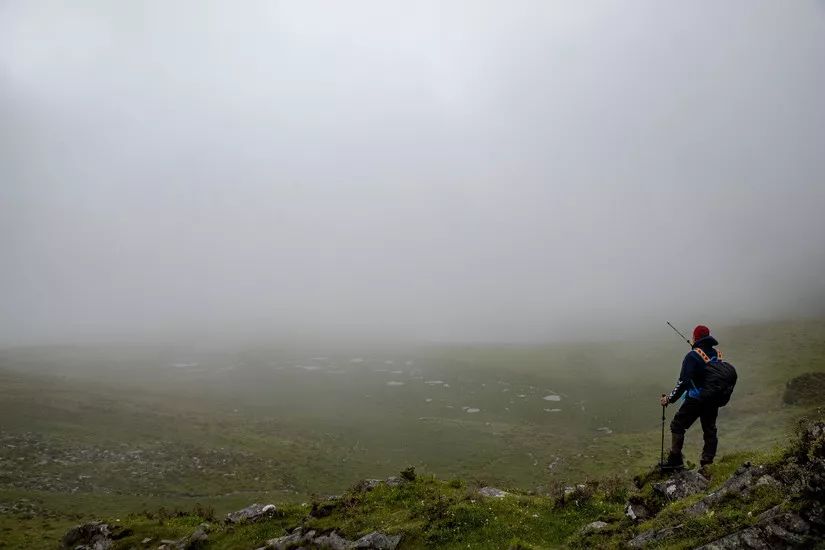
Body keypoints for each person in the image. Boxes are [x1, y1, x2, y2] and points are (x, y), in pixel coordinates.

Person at [659, 324, 721, 470]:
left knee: (677, 425)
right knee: (710, 429)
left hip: (696, 399)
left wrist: (669, 399)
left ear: (696, 338)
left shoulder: (692, 356)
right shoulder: (717, 354)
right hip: (712, 399)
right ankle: (707, 464)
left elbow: (683, 382)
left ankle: (675, 460)